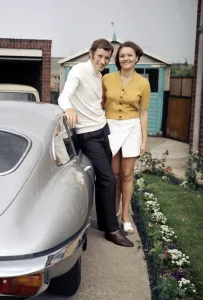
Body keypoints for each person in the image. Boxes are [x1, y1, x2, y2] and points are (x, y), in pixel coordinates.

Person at [58, 39, 134, 247]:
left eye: (106, 58)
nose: (102, 61)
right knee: (109, 178)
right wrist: (69, 109)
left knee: (104, 180)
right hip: (87, 135)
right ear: (91, 54)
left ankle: (103, 223)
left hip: (102, 130)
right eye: (99, 56)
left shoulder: (99, 76)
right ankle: (112, 230)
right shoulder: (79, 70)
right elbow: (64, 95)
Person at [102, 41, 151, 234]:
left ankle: (125, 216)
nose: (126, 58)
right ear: (118, 59)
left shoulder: (143, 83)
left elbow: (144, 113)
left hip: (132, 128)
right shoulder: (106, 79)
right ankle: (113, 212)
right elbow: (100, 103)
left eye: (130, 55)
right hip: (112, 127)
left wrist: (144, 140)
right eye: (122, 55)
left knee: (127, 174)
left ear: (137, 58)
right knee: (114, 175)